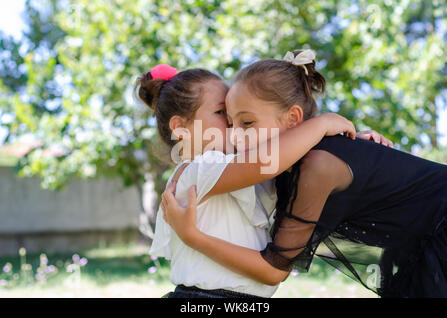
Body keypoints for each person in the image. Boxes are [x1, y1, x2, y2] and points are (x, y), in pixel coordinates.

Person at [161, 50, 447, 298]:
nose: (235, 137)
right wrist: (326, 129)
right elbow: (268, 163)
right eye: (228, 120)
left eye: (245, 122)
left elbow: (274, 269)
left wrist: (192, 236)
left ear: (294, 119)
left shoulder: (317, 164)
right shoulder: (277, 171)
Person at [136, 63, 385, 298]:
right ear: (181, 127)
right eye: (222, 112)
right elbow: (270, 161)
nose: (232, 125)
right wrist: (322, 124)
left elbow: (295, 157)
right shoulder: (197, 169)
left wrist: (347, 143)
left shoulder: (239, 170)